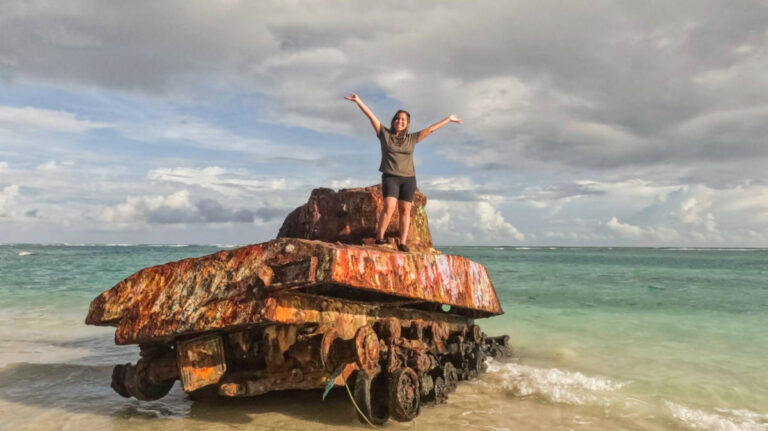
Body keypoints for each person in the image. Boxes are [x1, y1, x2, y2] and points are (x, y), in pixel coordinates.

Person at [345, 93, 462, 252]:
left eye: (403, 120)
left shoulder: (412, 139)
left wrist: (448, 119)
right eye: (398, 119)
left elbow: (431, 129)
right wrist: (358, 101)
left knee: (405, 210)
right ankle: (380, 238)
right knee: (389, 207)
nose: (400, 121)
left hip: (408, 179)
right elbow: (371, 116)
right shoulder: (384, 134)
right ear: (394, 121)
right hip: (390, 177)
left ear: (407, 124)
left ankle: (403, 242)